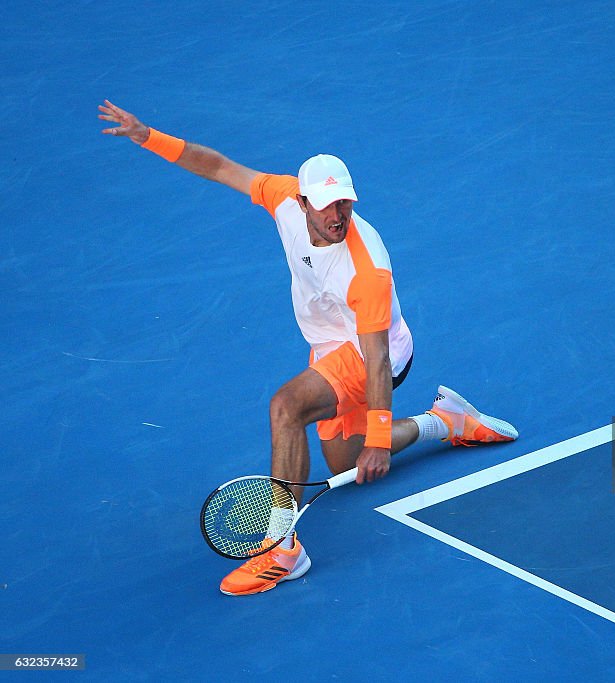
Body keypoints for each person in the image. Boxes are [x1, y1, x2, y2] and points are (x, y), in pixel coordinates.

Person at [98, 100, 519, 596]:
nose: (339, 215)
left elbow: (378, 358)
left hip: (374, 353)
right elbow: (217, 166)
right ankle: (446, 421)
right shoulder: (281, 197)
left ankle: (281, 550)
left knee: (286, 407)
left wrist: (381, 437)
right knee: (347, 465)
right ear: (302, 203)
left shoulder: (367, 271)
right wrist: (148, 135)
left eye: (346, 203)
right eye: (328, 206)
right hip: (331, 346)